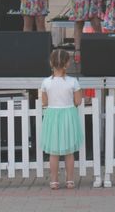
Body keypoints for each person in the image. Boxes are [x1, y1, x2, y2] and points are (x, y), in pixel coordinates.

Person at [40, 49, 84, 190]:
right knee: (69, 152)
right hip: (68, 116)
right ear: (67, 63)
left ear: (51, 63)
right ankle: (70, 181)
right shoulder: (73, 82)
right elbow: (78, 101)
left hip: (52, 116)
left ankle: (54, 181)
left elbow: (44, 102)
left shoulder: (46, 82)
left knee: (54, 152)